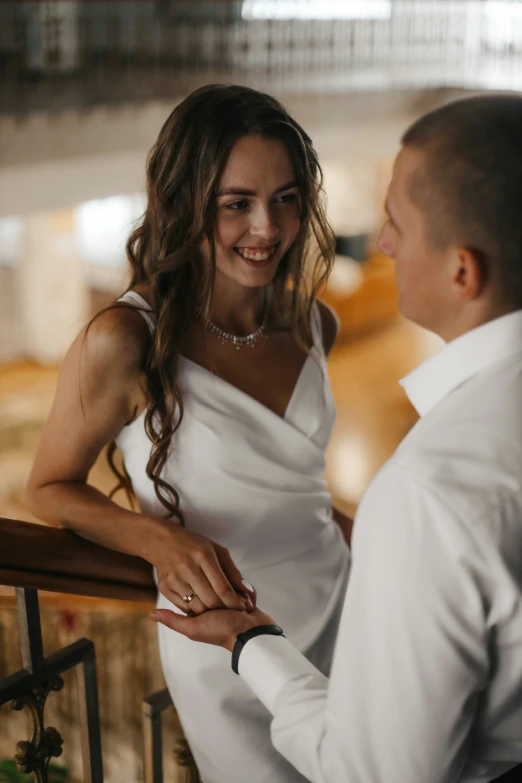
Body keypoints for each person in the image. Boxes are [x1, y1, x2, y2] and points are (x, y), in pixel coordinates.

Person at [151, 93, 522, 783]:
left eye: (396, 223)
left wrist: (249, 640)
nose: (381, 243)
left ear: (461, 271)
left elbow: (375, 774)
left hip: (285, 625)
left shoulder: (427, 495)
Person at [25, 84, 353, 783]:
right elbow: (48, 485)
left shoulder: (315, 323)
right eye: (237, 203)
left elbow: (302, 491)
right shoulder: (123, 338)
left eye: (287, 198)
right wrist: (156, 539)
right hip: (220, 640)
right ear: (184, 202)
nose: (267, 227)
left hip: (346, 611)